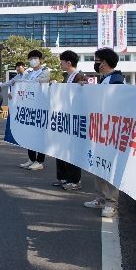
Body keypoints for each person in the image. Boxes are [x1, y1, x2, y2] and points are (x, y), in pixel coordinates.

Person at [83, 48, 124, 218]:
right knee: (98, 164)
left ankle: (111, 202)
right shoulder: (105, 80)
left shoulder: (116, 81)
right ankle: (101, 197)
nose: (96, 63)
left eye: (97, 60)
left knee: (109, 166)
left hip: (110, 131)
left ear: (104, 62)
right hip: (100, 129)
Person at [53, 50, 88, 190]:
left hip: (74, 119)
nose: (60, 64)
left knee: (72, 150)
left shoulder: (79, 76)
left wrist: (83, 85)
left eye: (61, 62)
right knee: (61, 149)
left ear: (68, 62)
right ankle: (63, 177)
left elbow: (85, 92)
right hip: (64, 117)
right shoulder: (67, 76)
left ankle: (74, 180)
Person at [19, 50, 51, 171]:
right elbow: (22, 85)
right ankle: (31, 159)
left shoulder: (45, 71)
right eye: (31, 58)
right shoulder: (29, 73)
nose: (33, 60)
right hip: (29, 107)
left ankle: (40, 161)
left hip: (40, 107)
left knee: (40, 136)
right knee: (30, 135)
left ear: (40, 60)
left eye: (35, 58)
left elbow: (40, 82)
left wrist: (27, 82)